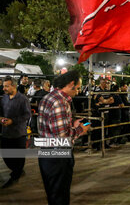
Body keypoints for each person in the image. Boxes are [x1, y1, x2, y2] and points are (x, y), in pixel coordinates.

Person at [37, 70, 89, 205]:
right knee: (60, 196)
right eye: (77, 88)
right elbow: (62, 137)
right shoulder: (60, 102)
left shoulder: (48, 97)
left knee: (53, 193)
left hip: (45, 152)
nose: (78, 92)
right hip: (58, 156)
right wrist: (80, 130)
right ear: (71, 84)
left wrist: (72, 124)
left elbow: (51, 125)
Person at [0, 76, 31, 188]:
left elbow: (27, 115)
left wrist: (13, 121)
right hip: (6, 132)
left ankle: (15, 176)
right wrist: (1, 118)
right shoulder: (4, 98)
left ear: (14, 86)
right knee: (6, 155)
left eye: (6, 86)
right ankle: (17, 171)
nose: (4, 88)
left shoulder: (23, 99)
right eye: (4, 86)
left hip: (19, 134)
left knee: (18, 157)